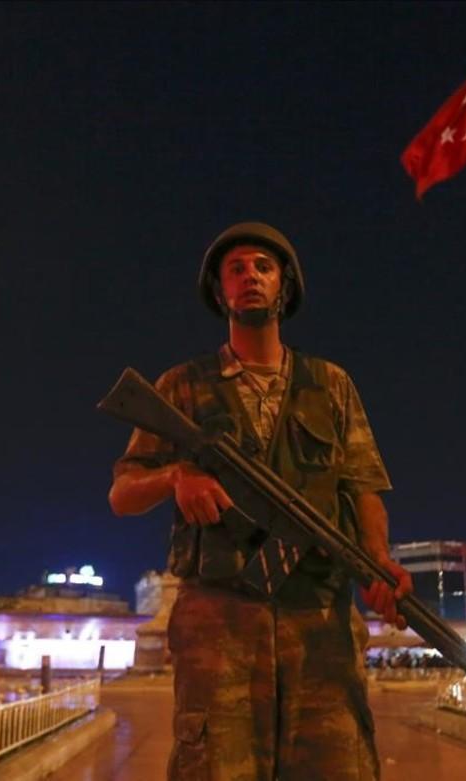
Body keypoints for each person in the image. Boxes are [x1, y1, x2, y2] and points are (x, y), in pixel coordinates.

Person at [108, 222, 412, 780]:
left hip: (319, 620)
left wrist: (377, 563)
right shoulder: (183, 386)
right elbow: (123, 494)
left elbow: (362, 487)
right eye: (237, 268)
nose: (250, 276)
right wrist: (179, 475)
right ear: (220, 292)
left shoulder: (330, 384)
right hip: (218, 625)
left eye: (263, 267)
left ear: (285, 288)